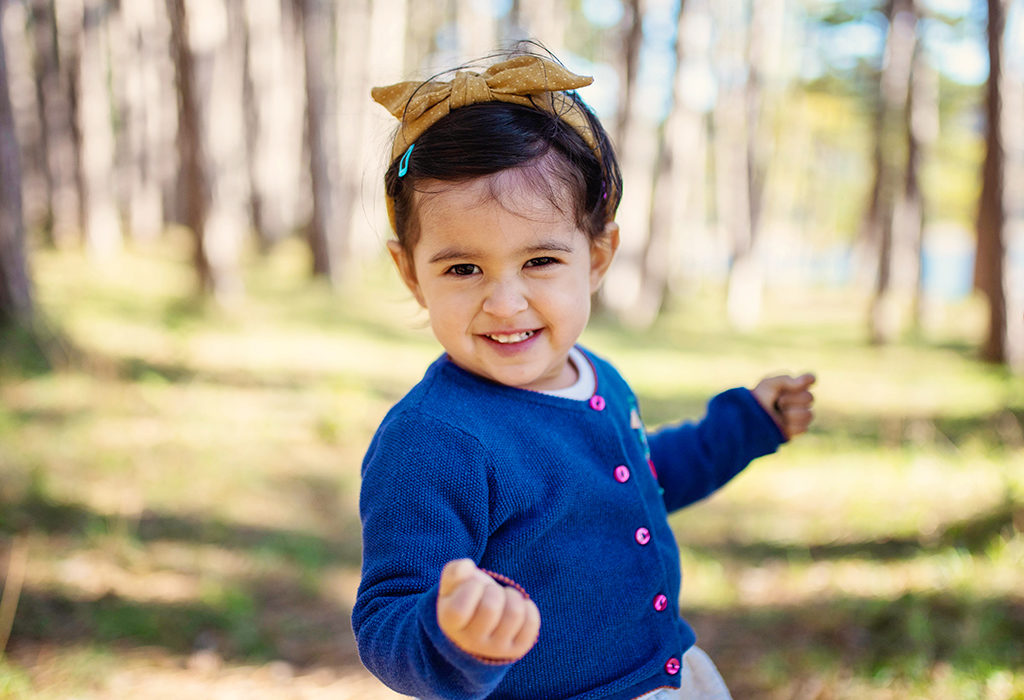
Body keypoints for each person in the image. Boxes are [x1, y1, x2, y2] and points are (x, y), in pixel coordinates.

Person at [352, 49, 815, 700]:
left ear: (597, 257)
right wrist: (451, 633)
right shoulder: (434, 440)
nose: (505, 302)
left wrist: (744, 425)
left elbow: (630, 482)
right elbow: (386, 618)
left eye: (539, 260)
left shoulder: (593, 376)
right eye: (463, 269)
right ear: (411, 273)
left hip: (667, 675)